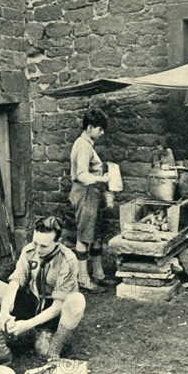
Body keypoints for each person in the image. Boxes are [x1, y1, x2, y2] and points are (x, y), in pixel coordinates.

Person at [0, 216, 85, 365]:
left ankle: (53, 351)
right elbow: (14, 282)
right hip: (33, 301)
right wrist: (4, 311)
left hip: (53, 312)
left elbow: (57, 307)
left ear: (58, 242)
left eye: (43, 246)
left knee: (77, 300)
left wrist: (26, 325)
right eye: (35, 243)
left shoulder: (68, 260)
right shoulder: (29, 251)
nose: (37, 250)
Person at [69, 108, 116, 293]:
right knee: (84, 237)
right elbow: (81, 175)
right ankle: (83, 280)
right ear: (89, 127)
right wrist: (102, 179)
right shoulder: (82, 145)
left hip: (93, 194)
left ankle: (99, 275)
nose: (102, 133)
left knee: (96, 236)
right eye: (100, 129)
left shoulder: (88, 144)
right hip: (84, 193)